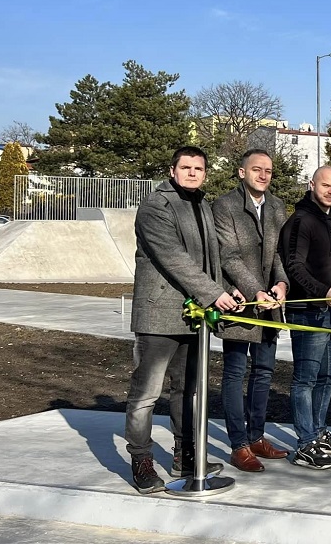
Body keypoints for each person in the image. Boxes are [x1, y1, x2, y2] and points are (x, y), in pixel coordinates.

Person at [125, 146, 238, 493]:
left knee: (188, 392)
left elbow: (211, 259)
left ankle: (184, 454)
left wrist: (225, 290)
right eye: (186, 167)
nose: (192, 173)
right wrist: (212, 293)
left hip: (194, 316)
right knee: (146, 394)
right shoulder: (155, 207)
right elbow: (173, 258)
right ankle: (141, 459)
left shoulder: (202, 205)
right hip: (160, 314)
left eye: (198, 168)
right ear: (172, 170)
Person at [212, 149, 290, 473]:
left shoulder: (277, 207)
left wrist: (282, 285)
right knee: (234, 373)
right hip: (241, 302)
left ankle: (257, 436)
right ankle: (238, 445)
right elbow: (228, 256)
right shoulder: (224, 206)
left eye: (268, 170)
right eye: (256, 169)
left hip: (270, 305)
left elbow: (281, 255)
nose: (263, 175)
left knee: (264, 373)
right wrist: (254, 290)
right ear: (242, 172)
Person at [279, 165, 331, 470]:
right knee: (306, 378)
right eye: (326, 186)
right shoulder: (301, 220)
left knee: (328, 374)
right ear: (311, 185)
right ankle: (305, 442)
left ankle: (318, 431)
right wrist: (323, 291)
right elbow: (294, 266)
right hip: (309, 310)